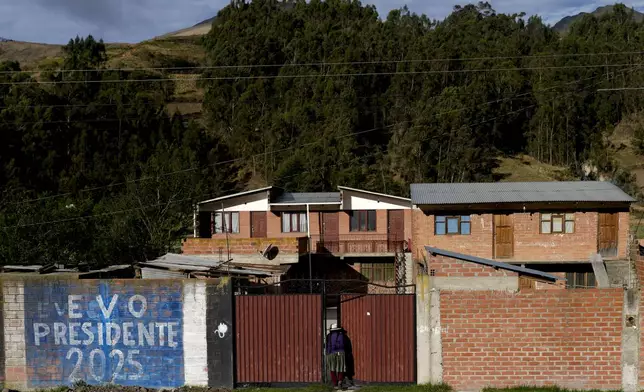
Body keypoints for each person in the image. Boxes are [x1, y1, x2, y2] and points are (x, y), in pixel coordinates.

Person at [326, 323, 346, 390]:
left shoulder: (329, 335)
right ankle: (340, 381)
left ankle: (335, 383)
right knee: (341, 367)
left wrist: (328, 353)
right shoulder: (342, 335)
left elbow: (327, 345)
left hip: (331, 353)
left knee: (332, 368)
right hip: (341, 353)